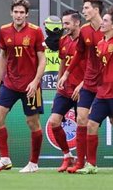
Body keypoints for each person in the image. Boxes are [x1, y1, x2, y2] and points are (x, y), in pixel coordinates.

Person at [0, 0, 46, 173]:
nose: (19, 15)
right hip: (10, 83)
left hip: (30, 85)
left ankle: (33, 163)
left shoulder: (36, 31)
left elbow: (42, 58)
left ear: (27, 14)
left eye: (22, 12)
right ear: (11, 13)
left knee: (32, 122)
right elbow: (3, 55)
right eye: (16, 12)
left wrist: (36, 81)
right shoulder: (4, 31)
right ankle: (4, 159)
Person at [78, 6, 113, 175]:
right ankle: (92, 164)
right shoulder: (101, 43)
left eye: (105, 21)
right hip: (102, 92)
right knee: (91, 124)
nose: (101, 23)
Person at [58, 0, 104, 173]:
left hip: (106, 83)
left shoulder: (107, 28)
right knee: (81, 119)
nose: (83, 11)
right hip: (90, 83)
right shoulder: (85, 30)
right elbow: (79, 54)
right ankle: (82, 162)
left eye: (86, 8)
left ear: (96, 10)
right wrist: (67, 73)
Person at [47, 9, 82, 172]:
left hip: (82, 89)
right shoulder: (63, 40)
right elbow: (63, 61)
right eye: (63, 23)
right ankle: (67, 156)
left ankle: (83, 160)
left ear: (77, 23)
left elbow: (92, 66)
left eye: (67, 23)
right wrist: (60, 79)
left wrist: (83, 85)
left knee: (84, 125)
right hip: (65, 89)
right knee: (54, 122)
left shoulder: (85, 41)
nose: (64, 26)